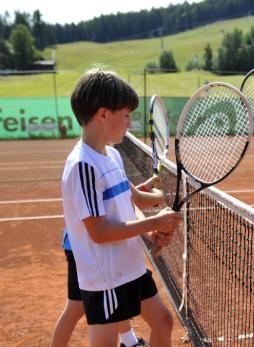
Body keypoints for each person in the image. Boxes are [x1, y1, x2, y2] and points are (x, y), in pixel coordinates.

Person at [61, 68, 182, 347]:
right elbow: (100, 232)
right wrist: (154, 223)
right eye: (126, 115)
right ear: (103, 114)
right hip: (106, 277)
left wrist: (149, 234)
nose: (129, 123)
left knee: (163, 321)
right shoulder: (83, 166)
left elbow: (130, 203)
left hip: (131, 267)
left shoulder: (112, 155)